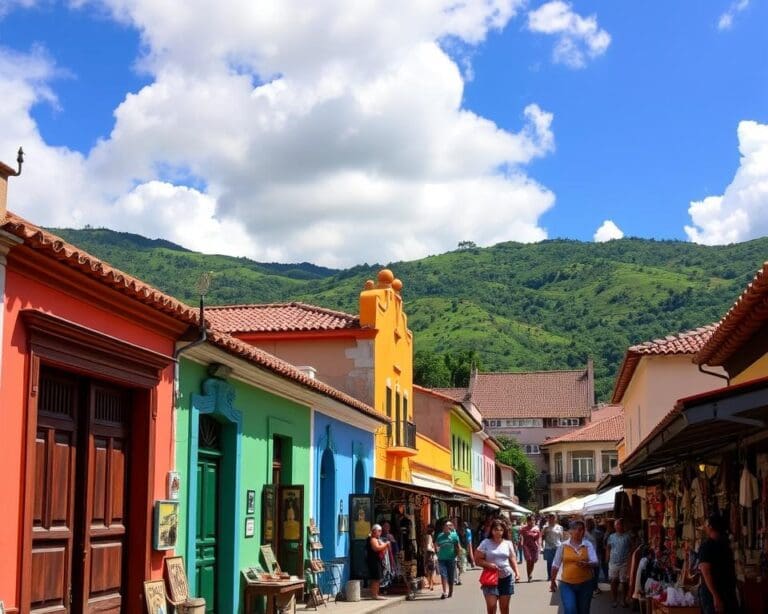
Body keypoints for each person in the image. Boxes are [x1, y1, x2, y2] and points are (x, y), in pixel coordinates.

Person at [550, 520, 599, 614]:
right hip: (566, 584)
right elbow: (555, 564)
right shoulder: (563, 546)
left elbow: (595, 561)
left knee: (584, 611)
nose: (581, 532)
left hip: (586, 584)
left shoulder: (587, 545)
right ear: (570, 531)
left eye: (582, 529)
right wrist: (552, 582)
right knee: (570, 609)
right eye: (578, 529)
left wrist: (588, 564)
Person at [476, 519, 521, 614]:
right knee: (491, 607)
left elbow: (512, 558)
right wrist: (489, 565)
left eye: (501, 530)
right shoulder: (485, 543)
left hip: (506, 578)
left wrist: (517, 572)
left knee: (504, 608)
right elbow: (477, 560)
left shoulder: (508, 543)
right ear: (492, 530)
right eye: (496, 529)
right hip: (491, 578)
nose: (498, 532)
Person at [698, 513, 739, 614]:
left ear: (711, 527)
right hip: (721, 593)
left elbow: (706, 572)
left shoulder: (708, 546)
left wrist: (715, 596)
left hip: (718, 594)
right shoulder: (724, 545)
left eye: (707, 525)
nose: (705, 528)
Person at [606, 518, 633, 608]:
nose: (619, 526)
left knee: (624, 582)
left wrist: (630, 561)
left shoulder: (627, 536)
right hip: (613, 562)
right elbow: (608, 547)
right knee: (614, 581)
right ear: (615, 526)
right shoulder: (611, 536)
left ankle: (623, 600)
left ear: (623, 526)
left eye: (620, 525)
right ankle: (614, 600)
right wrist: (607, 558)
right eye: (617, 525)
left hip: (625, 563)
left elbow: (631, 548)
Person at [436, 520, 460, 599]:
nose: (447, 527)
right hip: (442, 559)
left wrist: (457, 555)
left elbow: (457, 547)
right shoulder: (440, 536)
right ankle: (444, 592)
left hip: (451, 558)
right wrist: (437, 552)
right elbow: (437, 545)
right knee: (443, 574)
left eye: (449, 525)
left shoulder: (454, 536)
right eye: (446, 526)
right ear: (443, 527)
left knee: (450, 576)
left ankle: (451, 591)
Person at [366, 524, 390, 600]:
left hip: (377, 560)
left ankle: (376, 594)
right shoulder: (372, 539)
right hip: (374, 561)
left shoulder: (377, 539)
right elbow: (376, 548)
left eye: (381, 531)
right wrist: (386, 544)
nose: (380, 532)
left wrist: (385, 546)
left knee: (377, 578)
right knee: (376, 578)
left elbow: (383, 548)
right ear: (374, 531)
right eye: (379, 531)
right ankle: (375, 595)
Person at [542, 514, 564, 581]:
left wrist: (562, 545)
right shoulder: (545, 527)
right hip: (549, 547)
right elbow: (542, 537)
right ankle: (550, 576)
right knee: (549, 562)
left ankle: (557, 575)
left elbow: (561, 537)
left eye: (553, 518)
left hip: (558, 546)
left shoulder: (560, 527)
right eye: (550, 518)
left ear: (555, 519)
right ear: (548, 519)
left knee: (558, 562)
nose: (551, 519)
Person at [520, 515, 541, 582]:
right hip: (526, 546)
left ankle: (530, 573)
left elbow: (539, 538)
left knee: (532, 561)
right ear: (528, 521)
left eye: (533, 520)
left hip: (534, 546)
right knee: (528, 560)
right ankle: (529, 575)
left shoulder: (537, 528)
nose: (532, 521)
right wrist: (521, 542)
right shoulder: (523, 529)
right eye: (530, 520)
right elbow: (521, 536)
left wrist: (540, 546)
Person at [423, 525, 438, 591]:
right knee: (431, 570)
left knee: (428, 570)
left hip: (426, 555)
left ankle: (430, 583)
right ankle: (430, 584)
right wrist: (434, 549)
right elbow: (428, 547)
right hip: (430, 555)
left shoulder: (425, 536)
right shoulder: (429, 537)